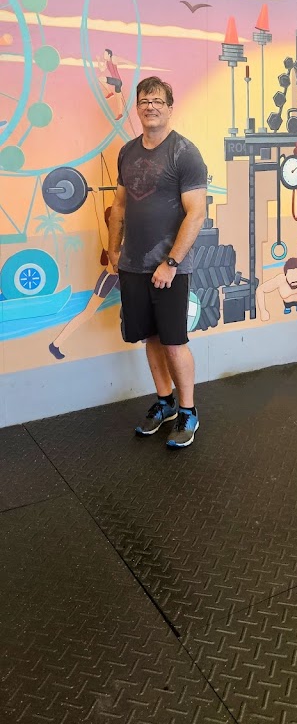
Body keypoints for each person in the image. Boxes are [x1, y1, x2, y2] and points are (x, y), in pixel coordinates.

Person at [108, 76, 207, 449]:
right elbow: (119, 205)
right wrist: (113, 250)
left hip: (169, 267)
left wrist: (171, 262)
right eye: (144, 101)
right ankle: (165, 403)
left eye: (157, 101)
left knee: (174, 342)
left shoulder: (185, 153)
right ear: (137, 108)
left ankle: (188, 410)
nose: (150, 107)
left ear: (169, 107)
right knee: (150, 337)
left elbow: (196, 214)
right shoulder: (127, 152)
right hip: (133, 265)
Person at [49, 207, 119, 360]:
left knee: (137, 305)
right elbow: (100, 219)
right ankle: (55, 344)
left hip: (123, 280)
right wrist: (96, 199)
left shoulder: (126, 237)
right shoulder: (108, 239)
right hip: (110, 278)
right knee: (88, 312)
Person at [97, 48, 123, 121]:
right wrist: (98, 60)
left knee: (101, 79)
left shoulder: (113, 58)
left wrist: (133, 64)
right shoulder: (106, 62)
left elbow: (123, 60)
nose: (103, 55)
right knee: (118, 99)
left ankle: (110, 93)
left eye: (105, 54)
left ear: (109, 54)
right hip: (117, 82)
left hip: (117, 81)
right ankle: (120, 114)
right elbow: (101, 69)